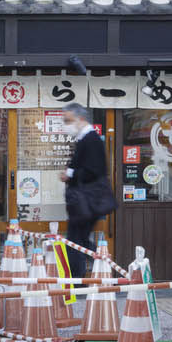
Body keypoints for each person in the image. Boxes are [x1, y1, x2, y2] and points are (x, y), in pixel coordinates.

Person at [59, 103, 111, 278]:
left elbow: (94, 170)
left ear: (80, 119)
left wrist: (70, 175)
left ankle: (79, 278)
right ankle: (94, 270)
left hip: (87, 201)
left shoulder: (91, 139)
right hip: (83, 201)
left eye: (68, 120)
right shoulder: (85, 138)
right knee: (78, 240)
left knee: (75, 242)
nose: (65, 124)